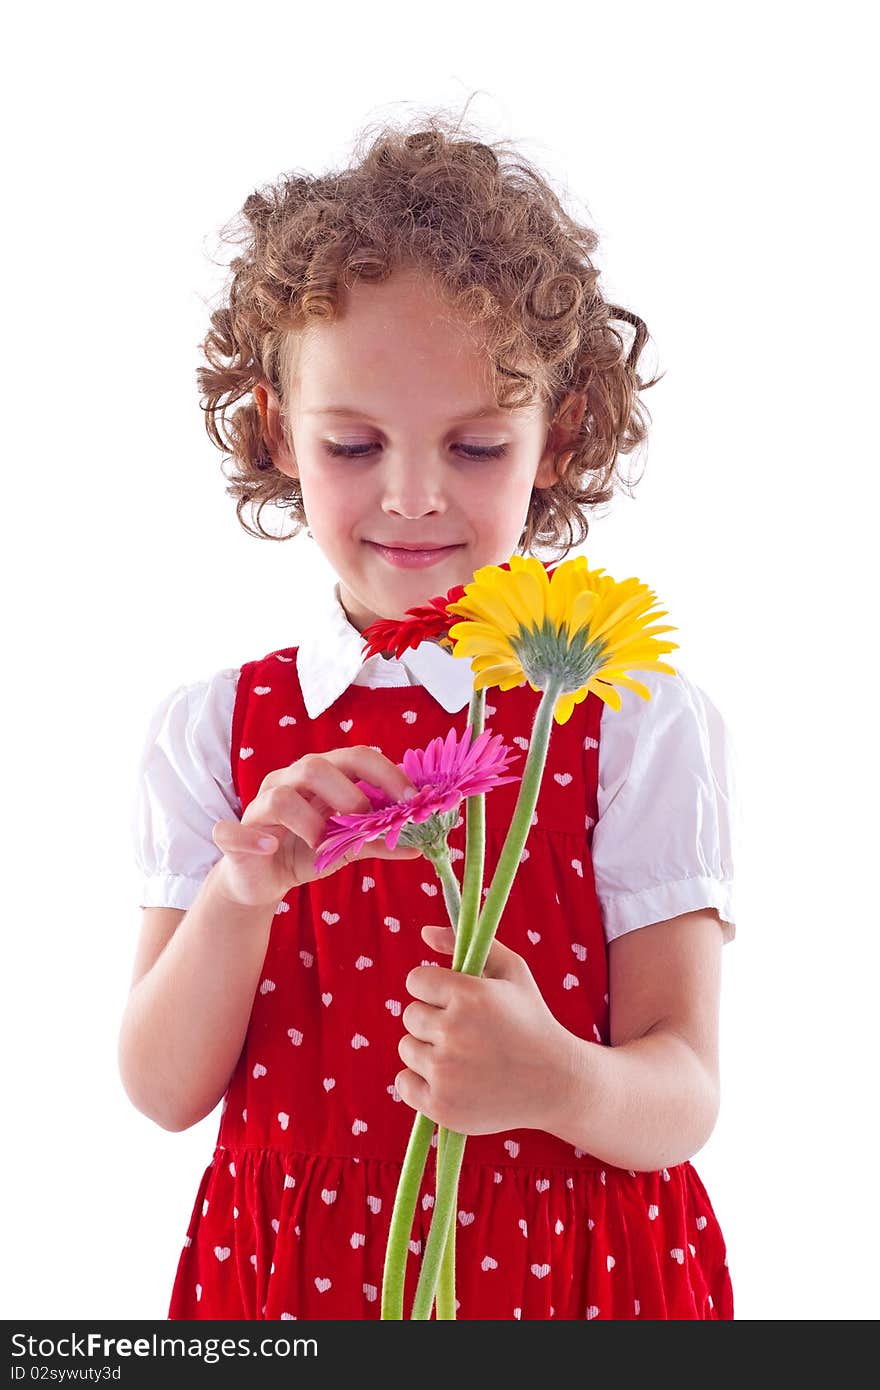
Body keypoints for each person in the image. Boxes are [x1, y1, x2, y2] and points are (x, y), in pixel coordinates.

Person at [120, 109, 740, 1321]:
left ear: (555, 436)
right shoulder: (214, 729)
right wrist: (240, 894)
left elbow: (687, 1091)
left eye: (474, 444)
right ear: (274, 432)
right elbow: (162, 1086)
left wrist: (557, 1078)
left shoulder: (625, 717)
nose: (411, 496)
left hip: (573, 1277)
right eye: (352, 444)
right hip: (292, 1286)